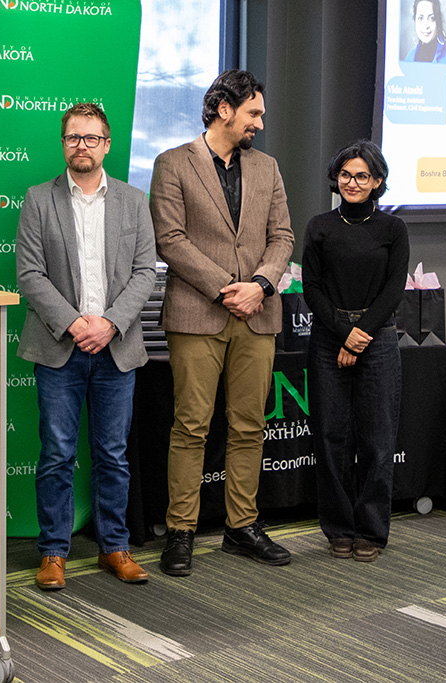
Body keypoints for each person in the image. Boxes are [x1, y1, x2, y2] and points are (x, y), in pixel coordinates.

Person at [150, 70, 294, 577]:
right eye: (253, 113)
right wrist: (226, 287)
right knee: (191, 426)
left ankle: (242, 527)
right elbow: (170, 239)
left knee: (249, 426)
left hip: (258, 312)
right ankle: (181, 531)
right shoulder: (173, 163)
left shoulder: (268, 168)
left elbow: (282, 237)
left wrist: (261, 284)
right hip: (198, 314)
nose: (260, 123)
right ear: (223, 109)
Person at [16, 102, 156, 591]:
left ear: (107, 145)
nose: (82, 146)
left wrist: (110, 324)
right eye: (74, 137)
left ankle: (114, 546)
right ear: (63, 144)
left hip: (117, 347)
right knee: (57, 453)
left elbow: (145, 273)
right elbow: (29, 274)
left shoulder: (134, 201)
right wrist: (76, 324)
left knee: (113, 454)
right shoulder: (39, 199)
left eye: (91, 138)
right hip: (61, 347)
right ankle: (53, 552)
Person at [302, 140, 409, 563]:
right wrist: (345, 334)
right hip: (329, 337)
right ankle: (339, 528)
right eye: (345, 174)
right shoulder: (319, 227)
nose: (352, 182)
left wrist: (360, 334)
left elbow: (394, 289)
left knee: (377, 441)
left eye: (362, 176)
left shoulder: (393, 229)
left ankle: (371, 531)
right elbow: (311, 288)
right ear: (336, 178)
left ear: (377, 181)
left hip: (378, 337)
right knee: (331, 439)